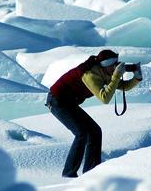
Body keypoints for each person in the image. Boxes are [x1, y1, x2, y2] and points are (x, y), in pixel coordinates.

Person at [46, 49, 142, 178]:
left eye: (117, 64)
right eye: (113, 65)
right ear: (105, 66)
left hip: (69, 102)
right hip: (57, 100)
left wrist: (137, 77)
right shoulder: (90, 75)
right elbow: (105, 98)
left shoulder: (106, 72)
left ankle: (91, 173)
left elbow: (123, 86)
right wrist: (116, 75)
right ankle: (68, 174)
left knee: (95, 131)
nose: (115, 67)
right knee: (82, 133)